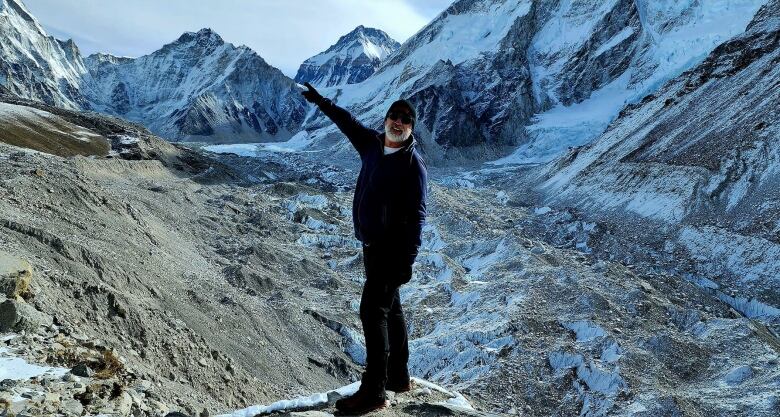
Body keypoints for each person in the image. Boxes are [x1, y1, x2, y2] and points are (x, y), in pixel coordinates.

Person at [301, 83, 427, 414]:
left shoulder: (414, 167)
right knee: (392, 309)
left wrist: (407, 261)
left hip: (391, 252)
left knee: (373, 314)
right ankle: (399, 377)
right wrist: (320, 101)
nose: (397, 123)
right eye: (394, 116)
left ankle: (373, 392)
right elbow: (347, 122)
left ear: (411, 128)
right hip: (371, 246)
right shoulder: (372, 144)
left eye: (405, 120)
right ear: (386, 120)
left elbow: (417, 218)